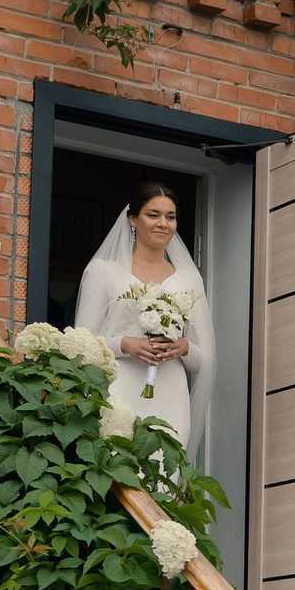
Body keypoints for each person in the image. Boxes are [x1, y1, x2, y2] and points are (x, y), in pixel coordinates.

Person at [73, 182, 212, 460]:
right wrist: (124, 344)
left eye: (170, 217)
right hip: (121, 390)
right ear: (133, 219)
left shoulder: (188, 279)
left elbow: (201, 361)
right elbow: (81, 347)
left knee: (165, 477)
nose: (163, 223)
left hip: (171, 396)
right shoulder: (104, 272)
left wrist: (183, 347)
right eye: (153, 214)